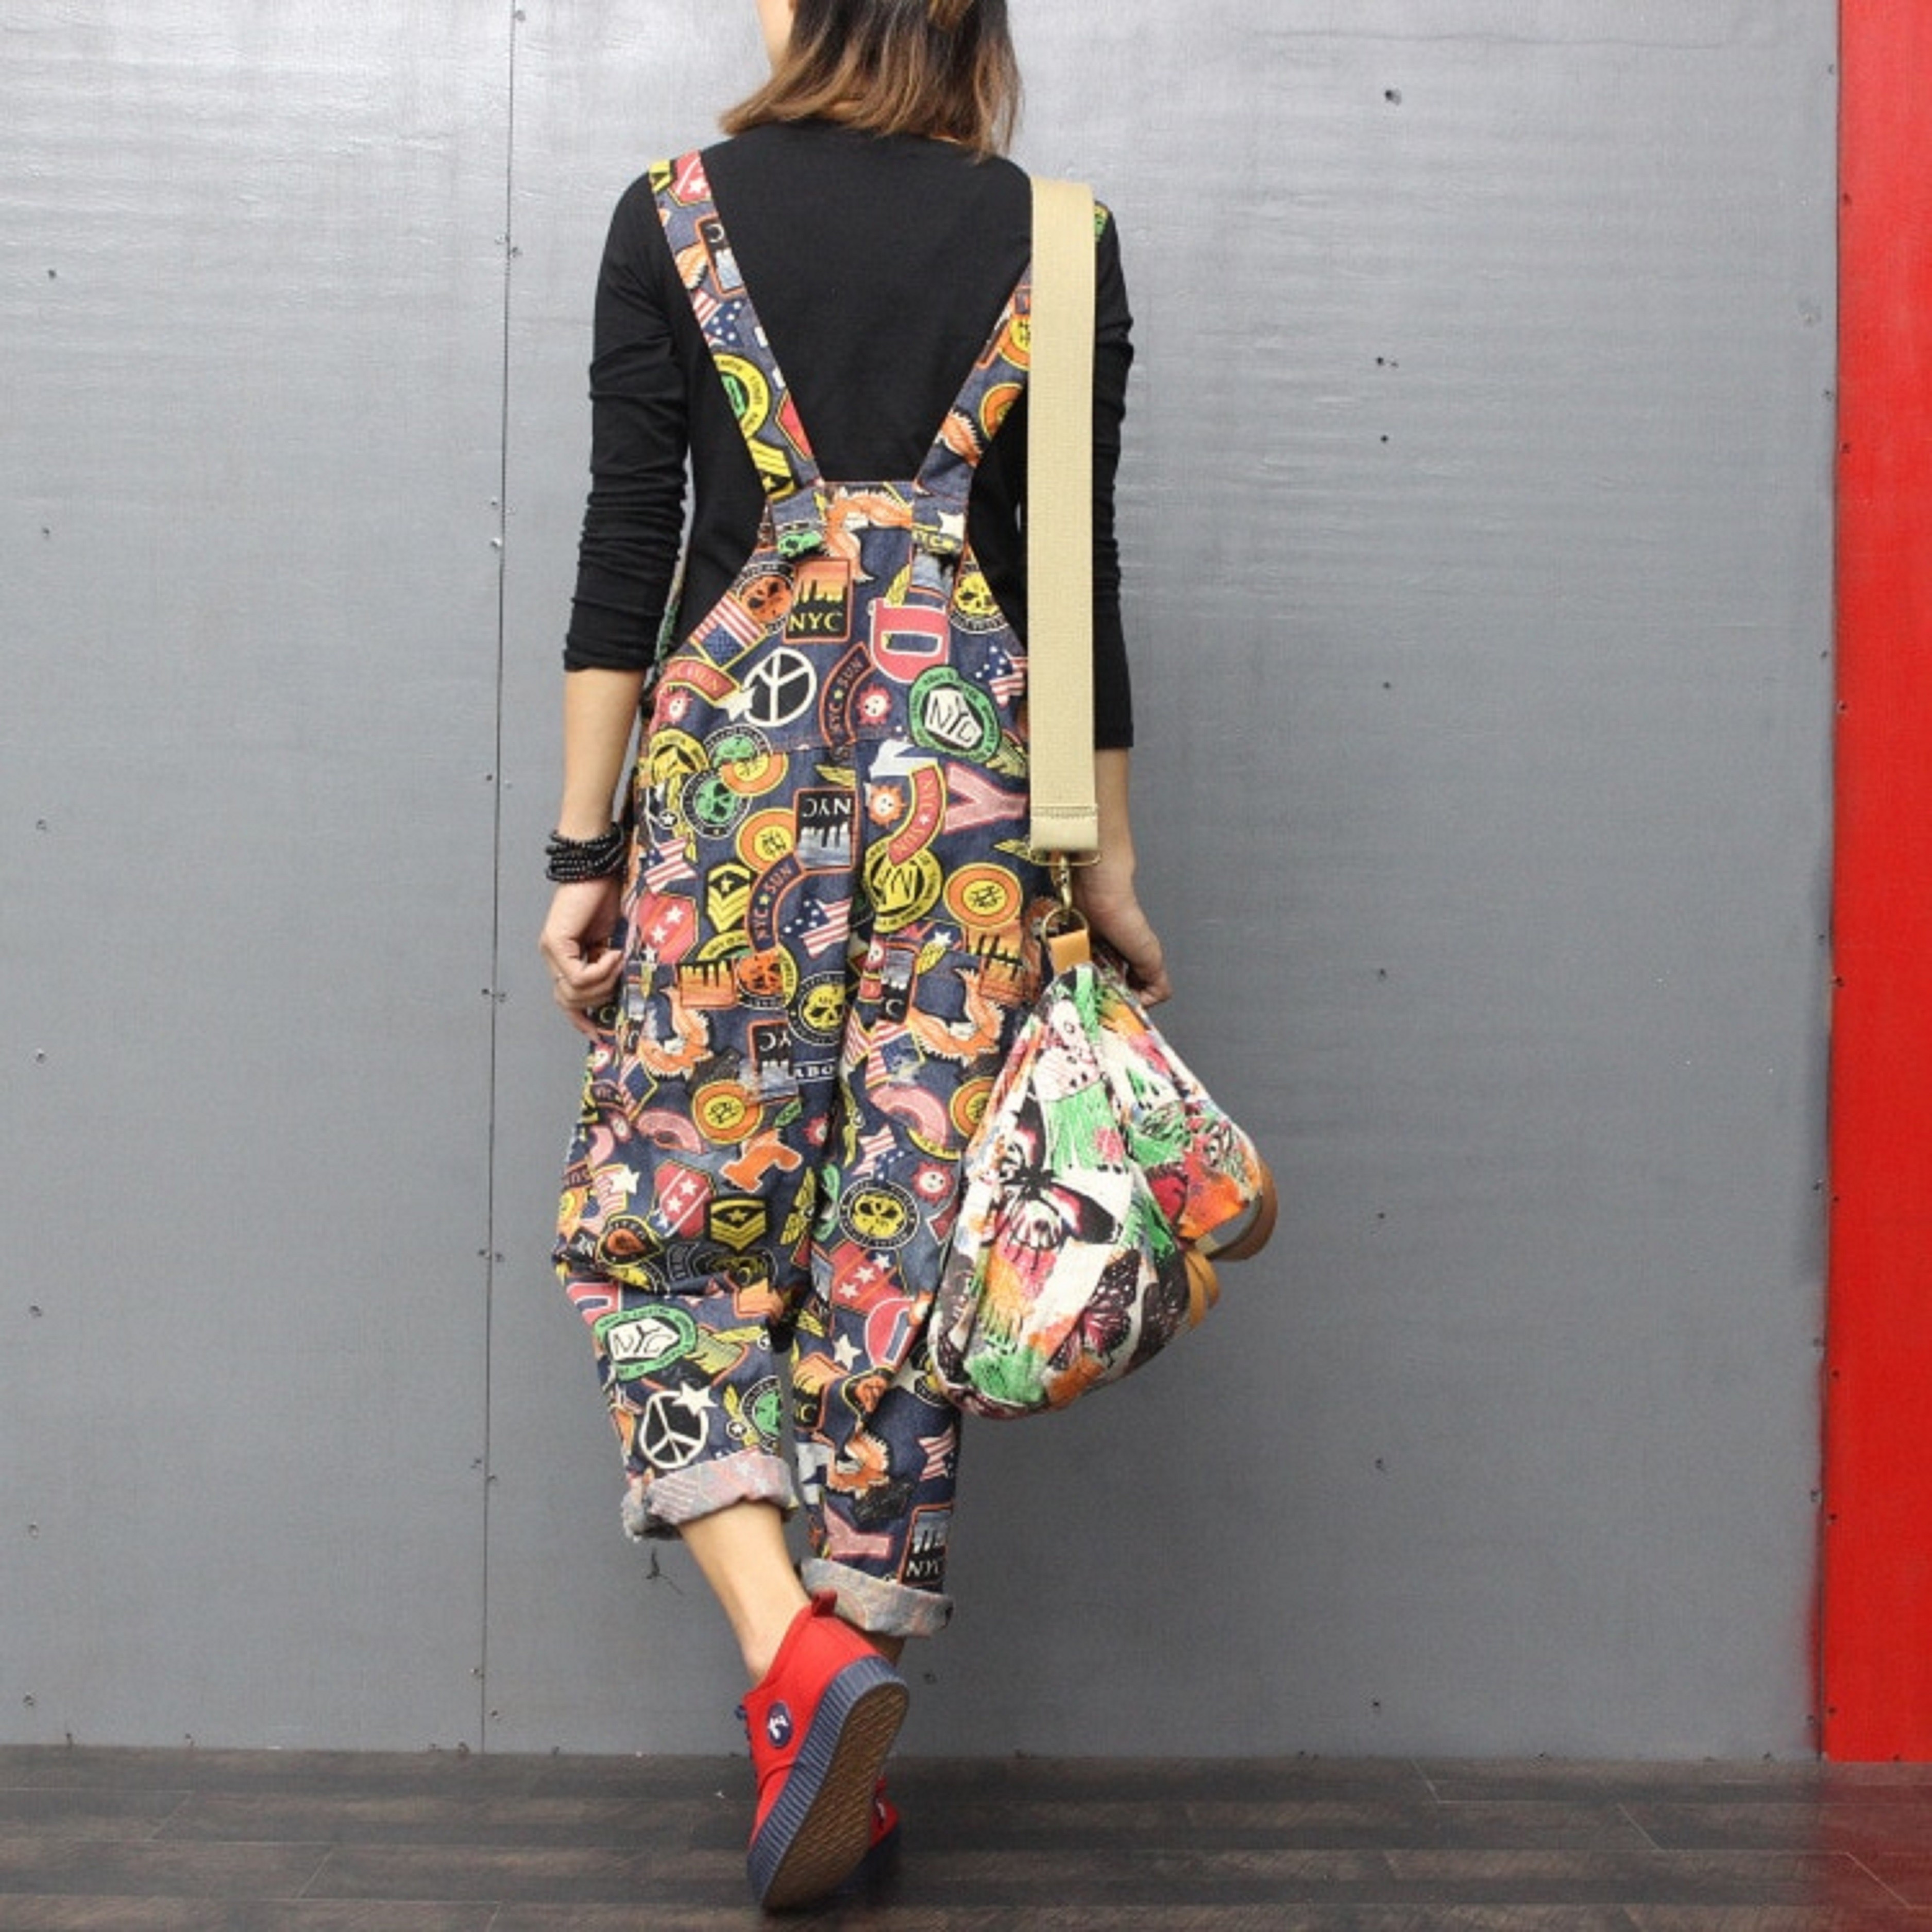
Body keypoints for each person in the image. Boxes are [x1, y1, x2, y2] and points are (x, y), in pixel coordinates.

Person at [538, 0, 1168, 1907]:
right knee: (905, 1252)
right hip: (977, 812)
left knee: (663, 1231)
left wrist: (583, 849)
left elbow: (628, 548)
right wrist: (1110, 868)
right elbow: (1071, 584)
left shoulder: (674, 213)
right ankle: (838, 1706)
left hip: (734, 799)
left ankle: (792, 1662)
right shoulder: (1061, 238)